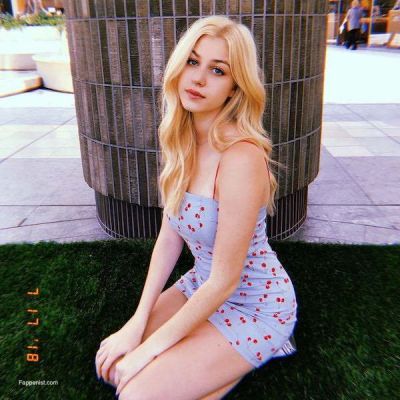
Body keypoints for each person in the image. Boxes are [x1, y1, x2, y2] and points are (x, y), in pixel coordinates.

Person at [95, 15, 298, 399]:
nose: (199, 78)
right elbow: (168, 239)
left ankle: (256, 348)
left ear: (235, 87)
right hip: (200, 286)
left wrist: (148, 352)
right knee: (113, 367)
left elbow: (225, 280)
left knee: (136, 391)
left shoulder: (240, 157)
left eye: (217, 70)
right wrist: (137, 323)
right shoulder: (181, 140)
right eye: (192, 62)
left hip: (254, 305)